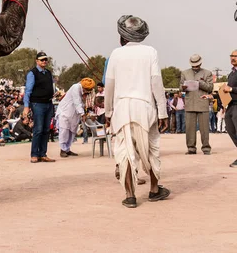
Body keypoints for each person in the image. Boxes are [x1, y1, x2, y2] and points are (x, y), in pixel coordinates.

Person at [104, 15, 170, 208]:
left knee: (124, 152)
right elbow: (156, 83)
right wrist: (163, 112)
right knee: (150, 149)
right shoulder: (151, 52)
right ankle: (154, 190)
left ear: (122, 36)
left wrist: (108, 113)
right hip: (145, 107)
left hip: (122, 107)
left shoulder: (116, 54)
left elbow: (110, 85)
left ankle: (130, 195)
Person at [23, 51, 55, 163]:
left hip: (48, 103)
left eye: (45, 59)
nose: (44, 61)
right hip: (37, 104)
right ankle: (34, 154)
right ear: (37, 61)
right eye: (42, 59)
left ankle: (43, 153)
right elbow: (28, 91)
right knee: (38, 129)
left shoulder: (48, 73)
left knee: (46, 129)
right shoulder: (33, 73)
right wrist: (26, 106)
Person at [180, 54, 214, 155]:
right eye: (193, 65)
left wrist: (200, 83)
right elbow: (180, 87)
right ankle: (191, 148)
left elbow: (210, 88)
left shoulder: (207, 73)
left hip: (202, 102)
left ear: (200, 63)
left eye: (197, 65)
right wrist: (183, 87)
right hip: (190, 102)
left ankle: (206, 148)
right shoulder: (184, 73)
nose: (195, 67)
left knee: (204, 128)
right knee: (190, 128)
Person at [57, 78, 95, 158]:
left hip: (73, 115)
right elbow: (77, 102)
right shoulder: (76, 87)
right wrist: (82, 114)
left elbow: (81, 104)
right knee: (64, 131)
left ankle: (67, 149)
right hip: (65, 112)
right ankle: (62, 150)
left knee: (72, 132)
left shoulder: (82, 92)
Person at [221, 50, 237, 168]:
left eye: (235, 56)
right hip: (230, 106)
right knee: (230, 130)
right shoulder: (231, 74)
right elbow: (226, 90)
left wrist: (231, 89)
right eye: (231, 55)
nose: (233, 58)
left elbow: (230, 89)